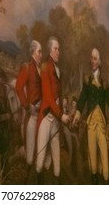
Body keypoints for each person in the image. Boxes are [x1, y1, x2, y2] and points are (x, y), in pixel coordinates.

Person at [73, 48, 109, 184]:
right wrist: (77, 114)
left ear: (99, 62)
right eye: (91, 58)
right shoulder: (87, 81)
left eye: (95, 58)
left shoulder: (105, 84)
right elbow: (81, 100)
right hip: (91, 125)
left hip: (102, 126)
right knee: (92, 161)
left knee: (104, 160)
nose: (92, 61)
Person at [37, 36, 70, 184]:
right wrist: (61, 115)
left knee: (56, 163)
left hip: (56, 121)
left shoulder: (58, 70)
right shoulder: (45, 67)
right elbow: (49, 98)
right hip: (46, 117)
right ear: (50, 50)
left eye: (59, 49)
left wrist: (62, 116)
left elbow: (59, 96)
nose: (58, 52)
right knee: (41, 159)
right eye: (56, 49)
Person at [15, 40, 43, 167]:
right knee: (31, 155)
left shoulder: (42, 70)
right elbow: (18, 88)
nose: (41, 55)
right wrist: (27, 106)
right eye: (39, 52)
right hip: (32, 115)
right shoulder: (27, 67)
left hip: (42, 115)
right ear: (33, 52)